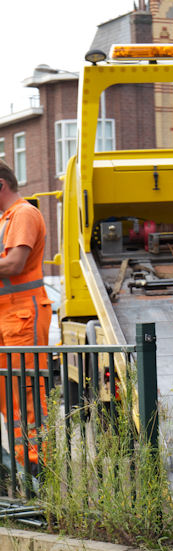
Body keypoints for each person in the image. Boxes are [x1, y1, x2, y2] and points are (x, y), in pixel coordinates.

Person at [0, 160, 52, 468]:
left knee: (28, 395)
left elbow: (14, 264)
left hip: (23, 316)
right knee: (11, 395)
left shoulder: (23, 214)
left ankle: (37, 469)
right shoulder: (7, 218)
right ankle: (23, 467)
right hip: (11, 317)